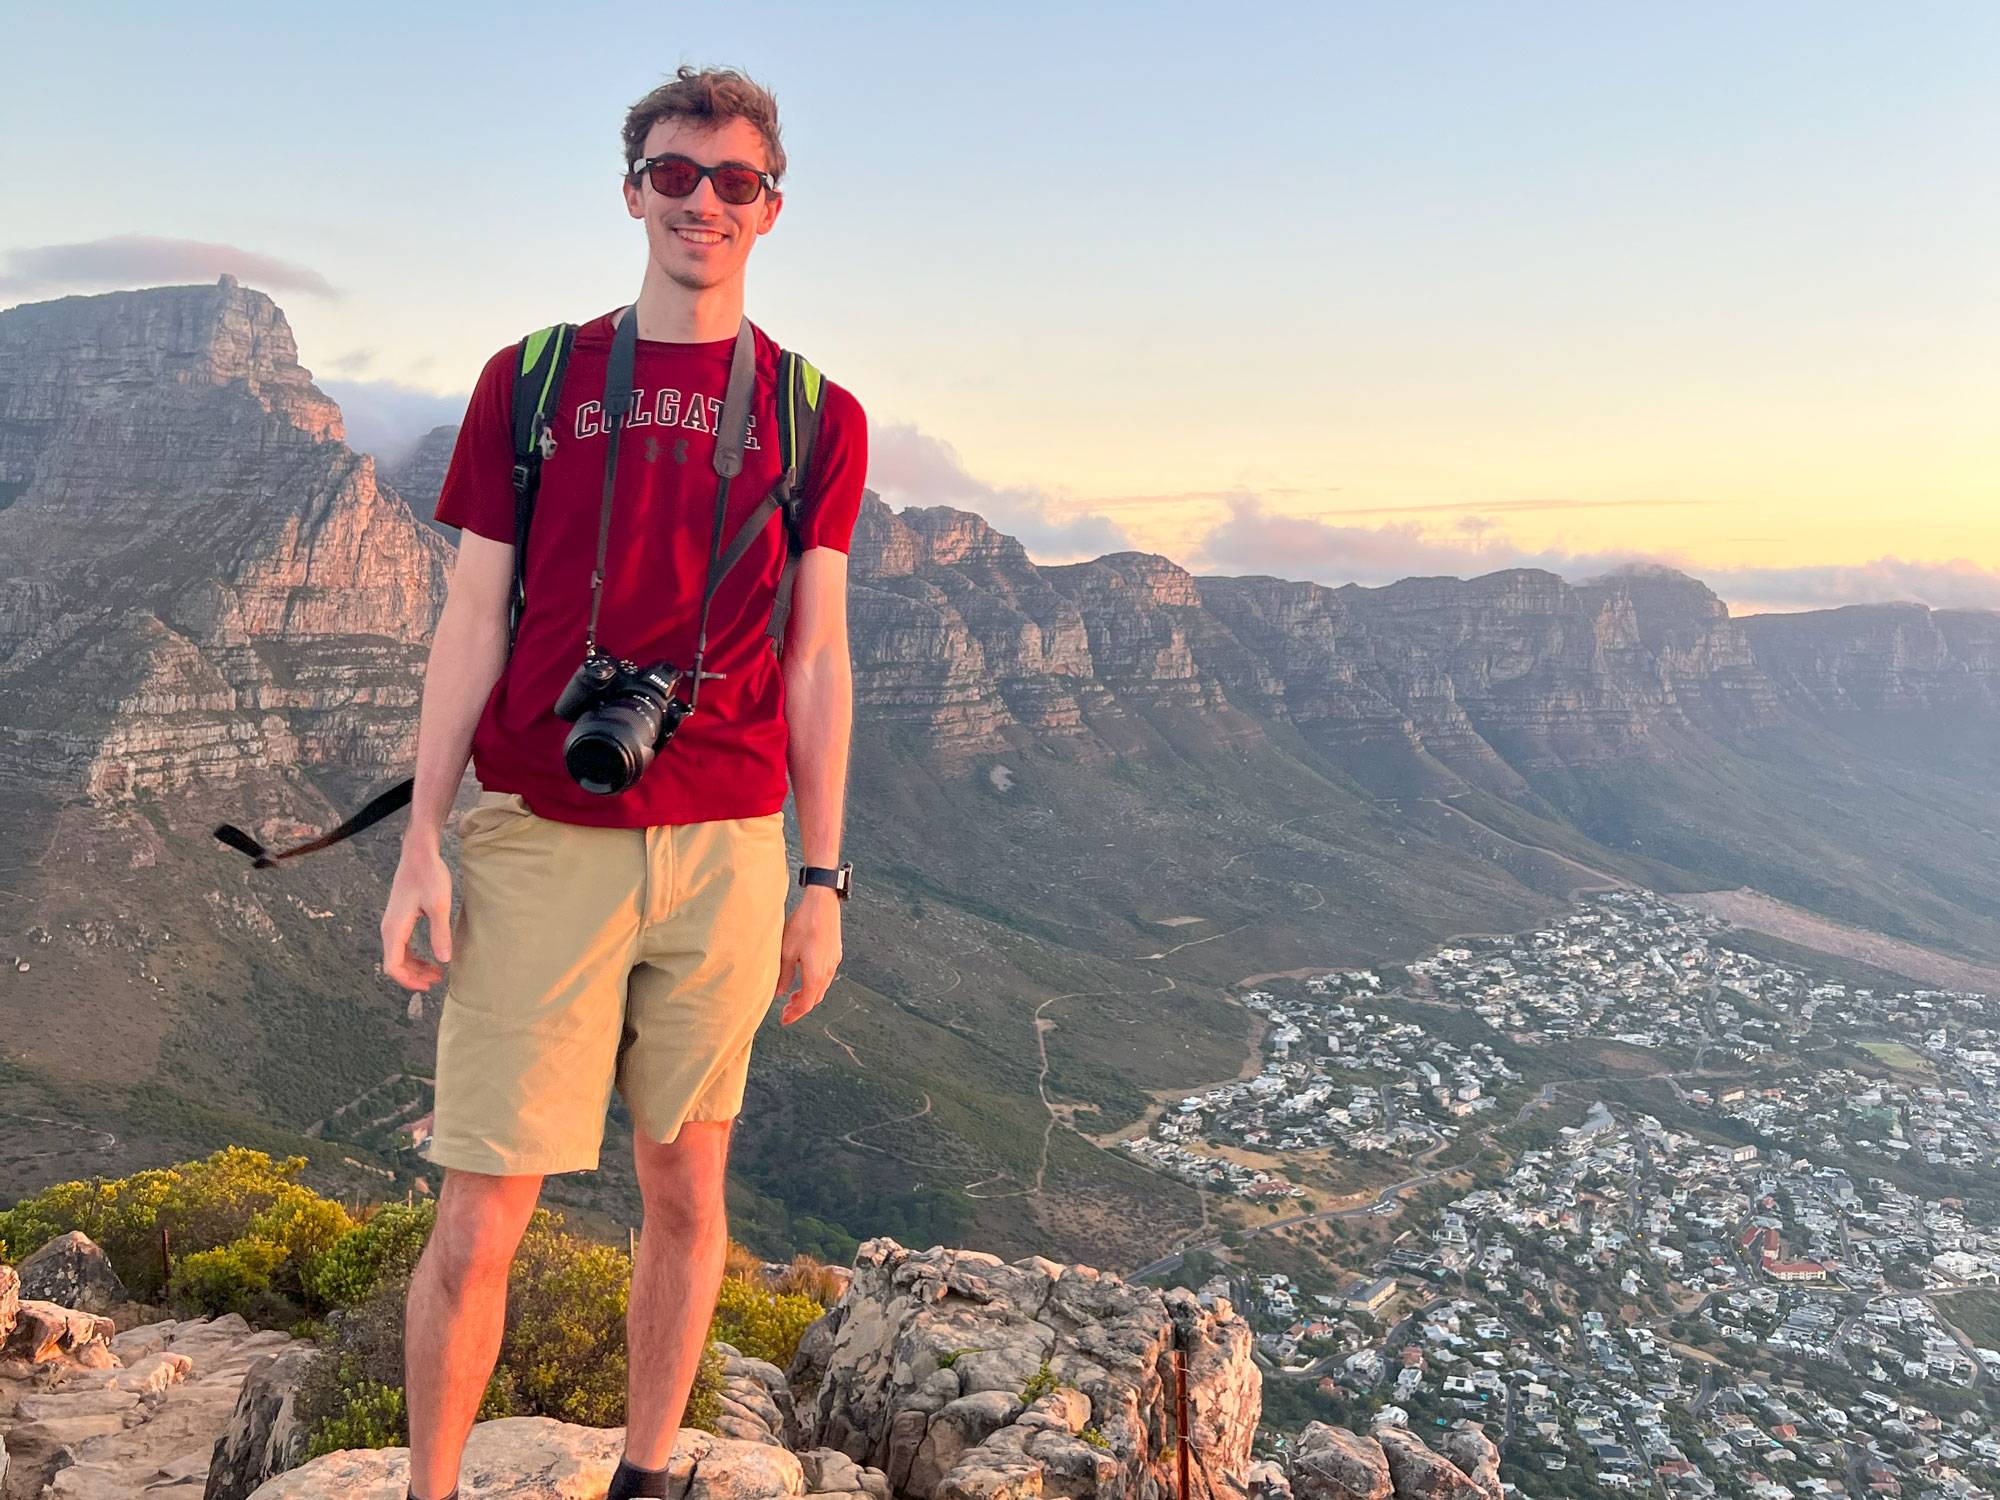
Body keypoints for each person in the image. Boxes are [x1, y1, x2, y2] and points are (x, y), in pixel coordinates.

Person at [377, 66, 866, 1500]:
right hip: (539, 836)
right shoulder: (531, 381)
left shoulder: (811, 411)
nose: (701, 202)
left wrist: (820, 880)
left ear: (772, 209)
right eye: (673, 173)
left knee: (686, 1192)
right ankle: (431, 1488)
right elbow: (470, 619)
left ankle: (650, 1477)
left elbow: (819, 659)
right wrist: (420, 844)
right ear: (631, 188)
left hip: (723, 843)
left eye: (733, 182)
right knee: (480, 1217)